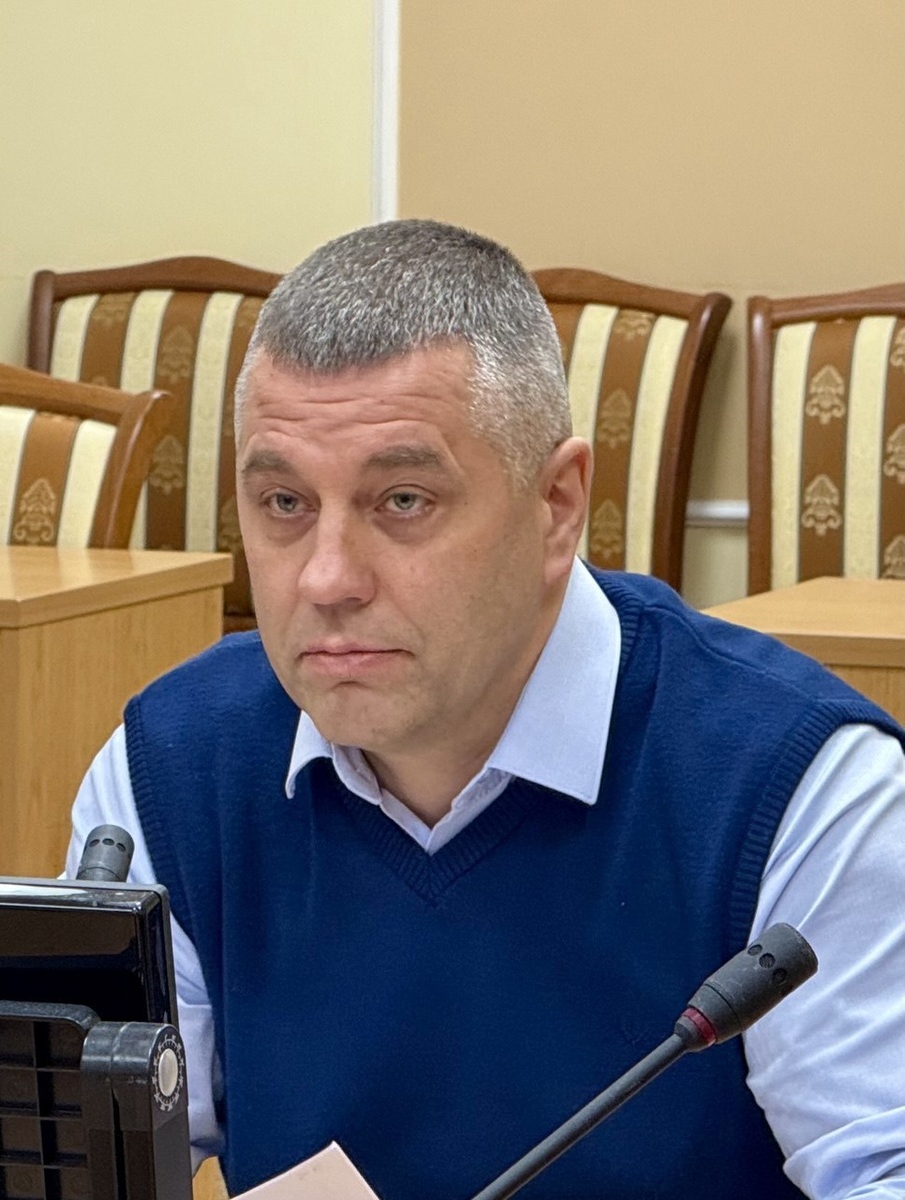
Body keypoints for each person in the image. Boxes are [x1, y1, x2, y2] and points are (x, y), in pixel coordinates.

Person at [66, 220, 905, 1200]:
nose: (327, 579)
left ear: (557, 505)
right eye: (285, 505)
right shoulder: (166, 771)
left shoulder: (802, 790)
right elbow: (97, 1171)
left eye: (403, 501)